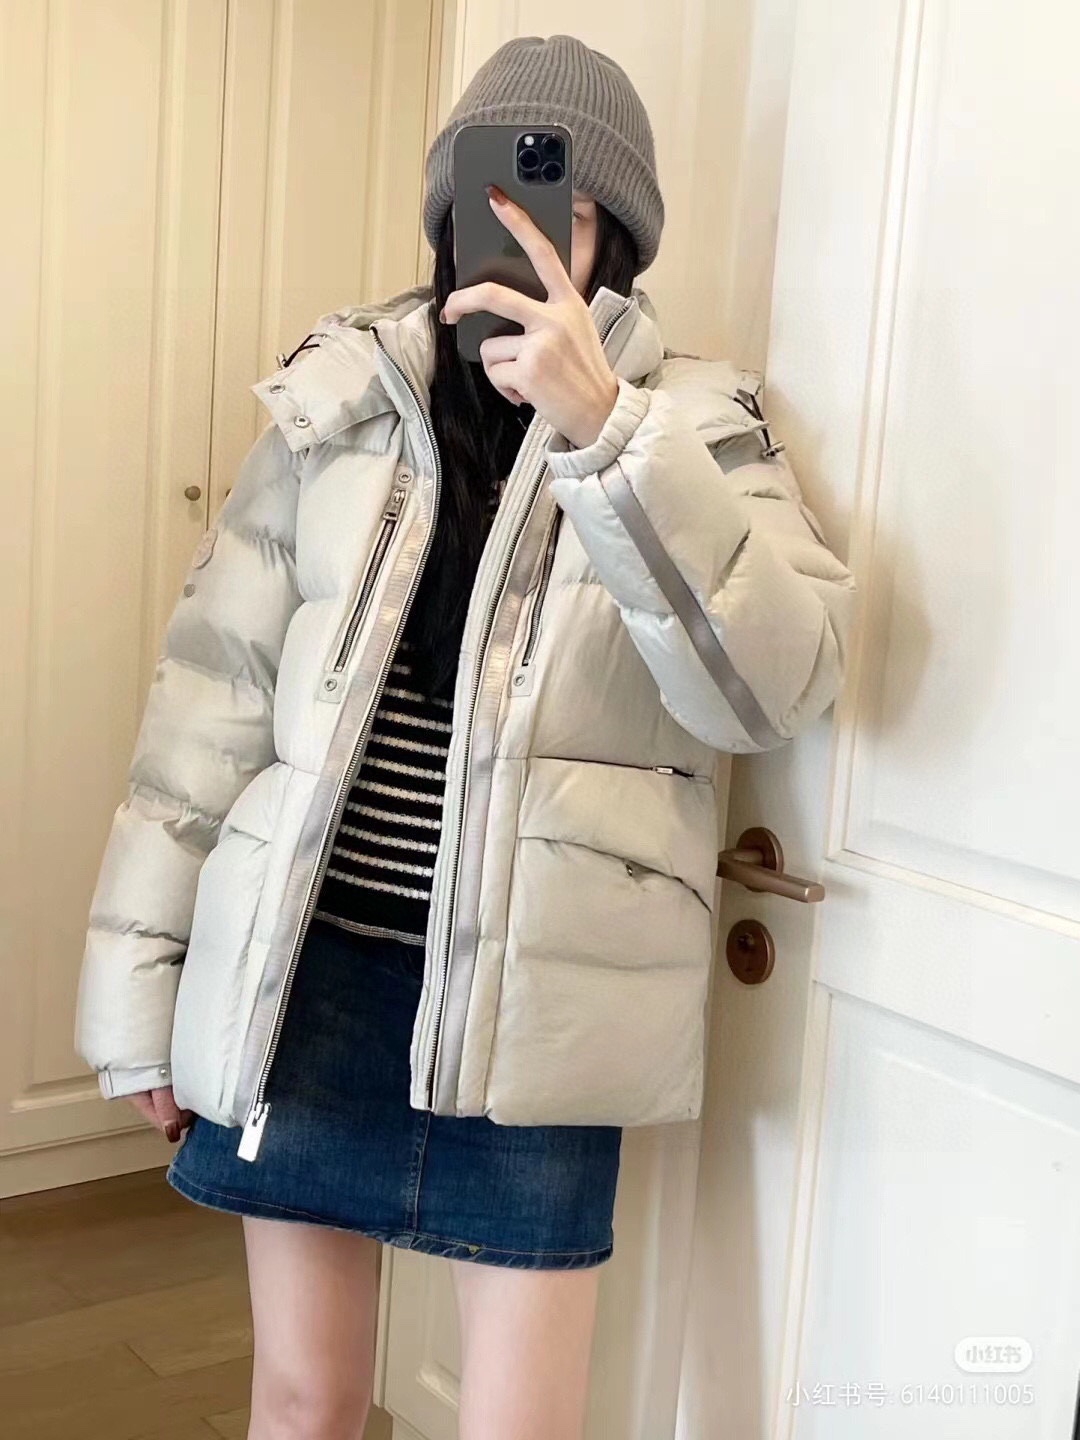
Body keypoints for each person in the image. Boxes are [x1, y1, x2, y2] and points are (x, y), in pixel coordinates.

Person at [73, 32, 856, 1440]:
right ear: (441, 215)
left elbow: (771, 691)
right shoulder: (340, 399)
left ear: (617, 237)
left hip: (539, 1010)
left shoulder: (697, 426)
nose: (512, 235)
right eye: (483, 202)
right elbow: (209, 704)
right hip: (308, 977)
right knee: (302, 1406)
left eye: (556, 206)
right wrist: (137, 1000)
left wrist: (603, 431)